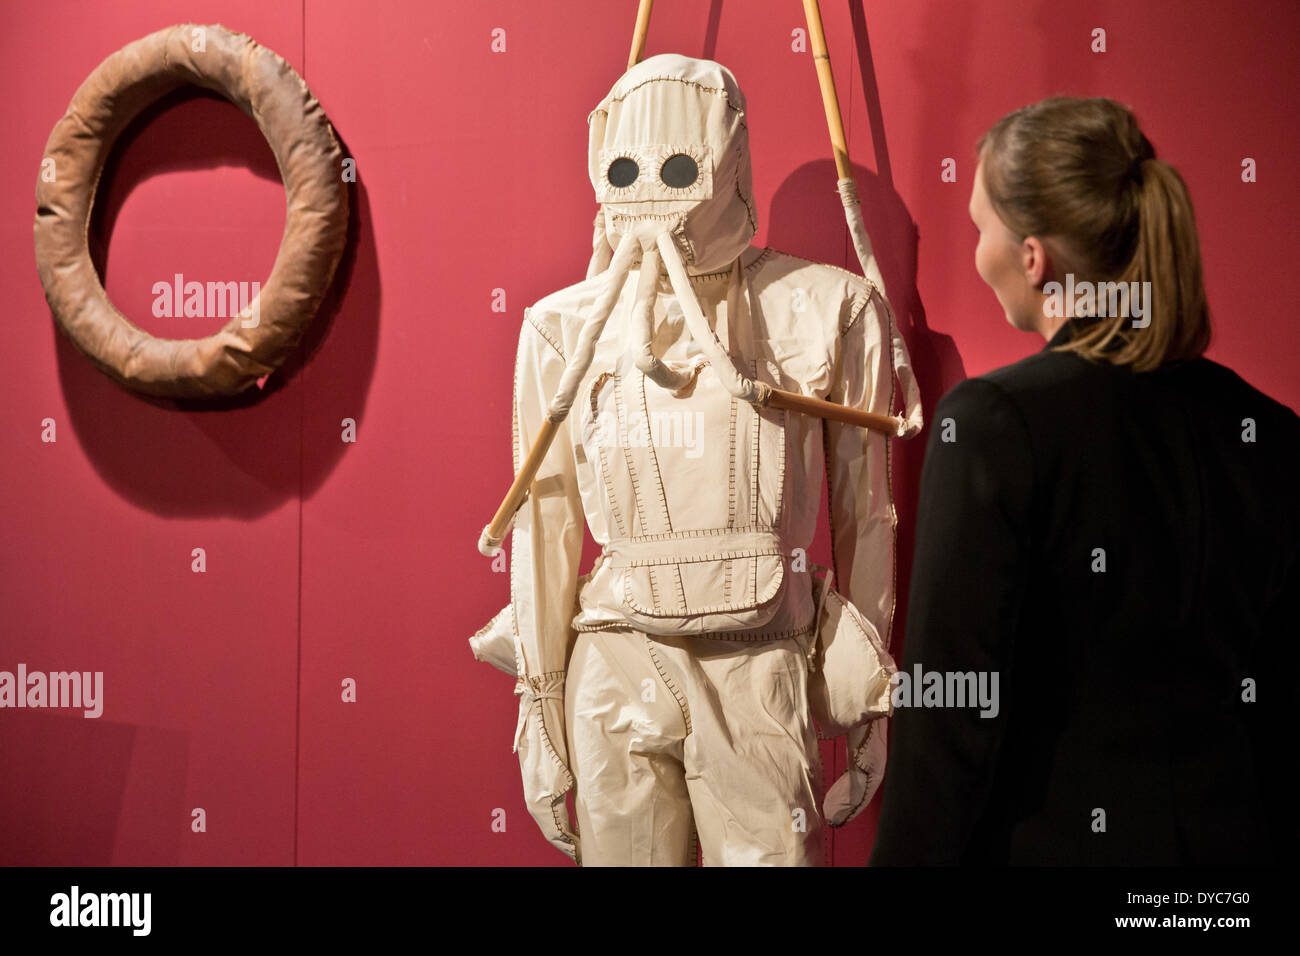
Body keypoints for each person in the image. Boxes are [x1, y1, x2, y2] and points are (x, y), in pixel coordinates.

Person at [470, 53, 919, 866]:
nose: (653, 186)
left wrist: (868, 703)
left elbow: (866, 513)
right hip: (613, 656)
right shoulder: (563, 328)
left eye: (682, 165)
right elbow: (545, 523)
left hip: (759, 660)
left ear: (728, 162)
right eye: (627, 167)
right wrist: (539, 707)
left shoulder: (830, 307)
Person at [869, 96, 1299, 865]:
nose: (976, 252)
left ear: (1032, 257)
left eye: (980, 228)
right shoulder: (1271, 431)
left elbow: (950, 719)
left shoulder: (994, 424)